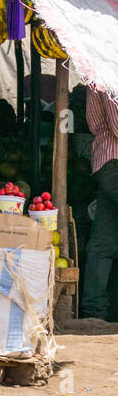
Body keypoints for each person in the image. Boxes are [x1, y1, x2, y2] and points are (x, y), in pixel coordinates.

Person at [81, 86, 118, 320]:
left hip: (109, 161)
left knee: (104, 240)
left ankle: (94, 310)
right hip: (115, 162)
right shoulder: (109, 70)